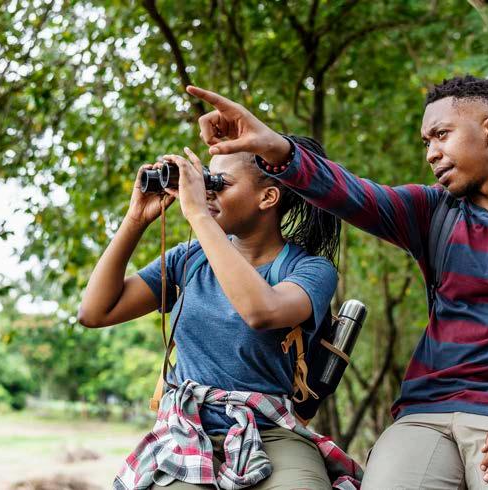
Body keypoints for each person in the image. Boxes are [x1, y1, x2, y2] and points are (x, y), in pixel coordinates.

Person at [185, 75, 488, 489]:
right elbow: (350, 193)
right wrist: (274, 148)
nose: (431, 153)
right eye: (426, 142)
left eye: (442, 135)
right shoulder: (432, 212)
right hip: (425, 418)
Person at [77, 136, 362, 489]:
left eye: (218, 183)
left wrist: (198, 214)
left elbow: (261, 311)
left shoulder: (311, 271)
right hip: (187, 429)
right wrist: (136, 218)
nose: (207, 192)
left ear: (268, 197)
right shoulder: (188, 260)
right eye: (205, 181)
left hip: (271, 431)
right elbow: (95, 312)